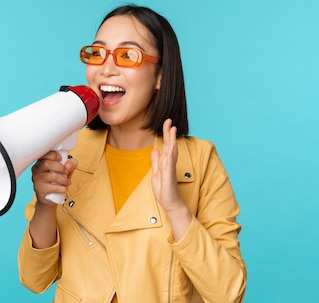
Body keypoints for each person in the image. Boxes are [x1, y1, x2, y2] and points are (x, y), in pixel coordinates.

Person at [17, 5, 246, 303]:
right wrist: (46, 207)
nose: (106, 68)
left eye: (127, 55)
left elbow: (227, 293)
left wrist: (175, 207)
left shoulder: (201, 161)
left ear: (160, 76)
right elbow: (34, 279)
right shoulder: (68, 152)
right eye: (97, 53)